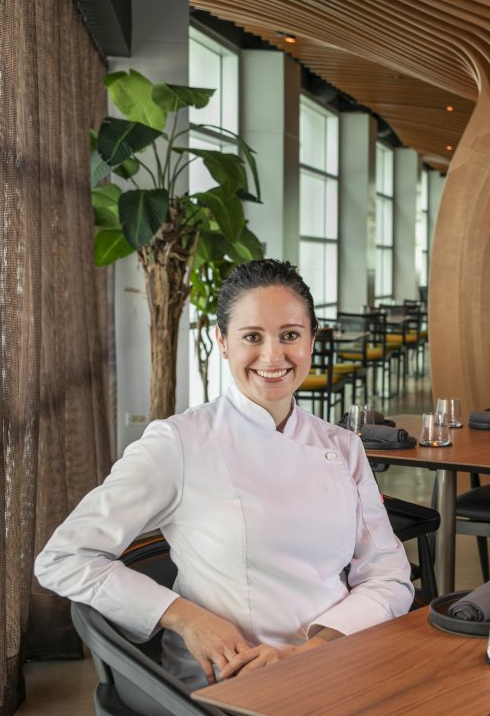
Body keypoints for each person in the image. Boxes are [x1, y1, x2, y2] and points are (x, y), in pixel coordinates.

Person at [36, 259, 413, 687]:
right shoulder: (180, 442)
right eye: (252, 336)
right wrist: (185, 616)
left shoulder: (342, 447)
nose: (273, 356)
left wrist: (316, 649)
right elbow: (64, 558)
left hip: (331, 665)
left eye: (290, 335)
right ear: (223, 342)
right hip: (228, 681)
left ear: (311, 340)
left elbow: (388, 574)